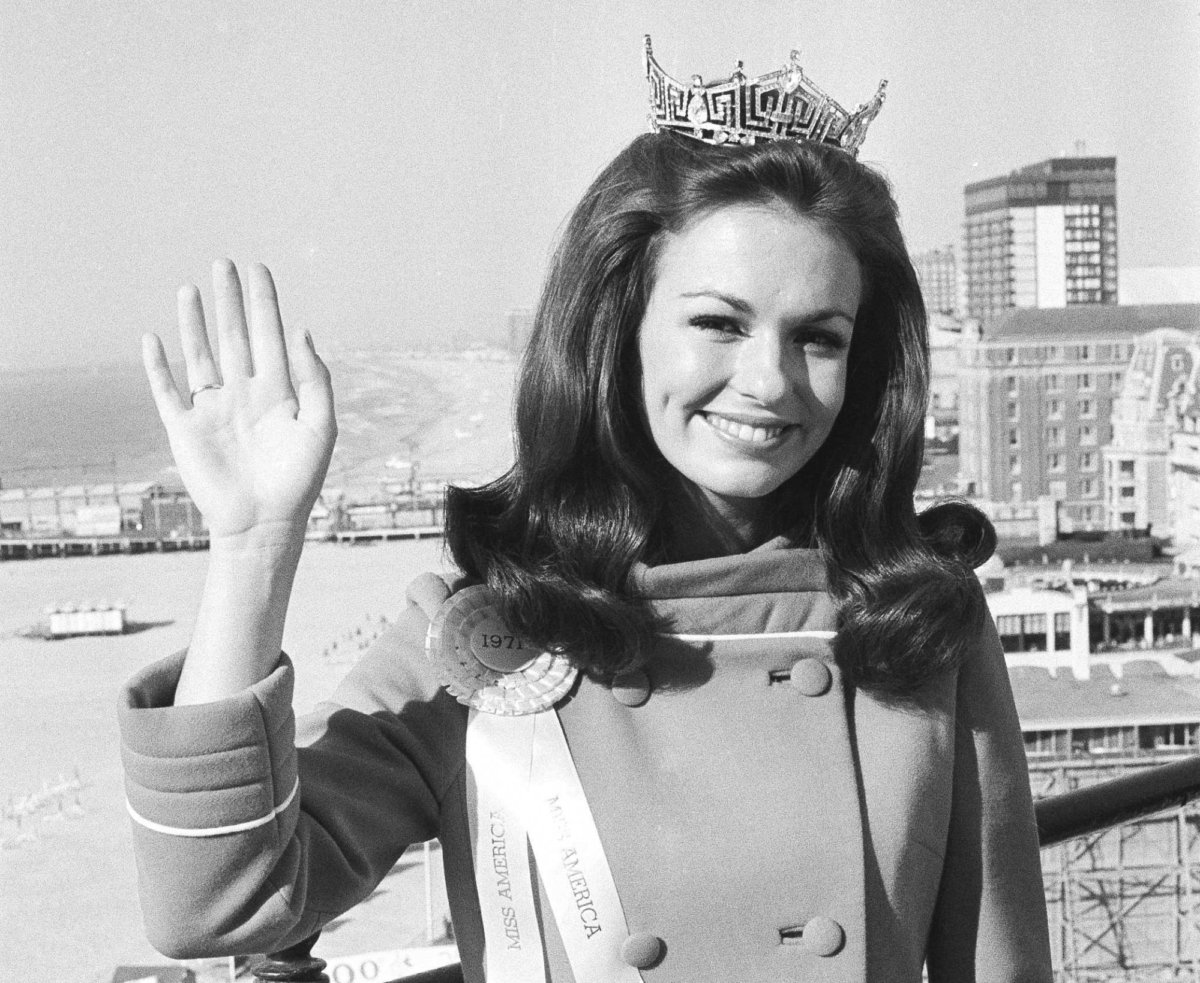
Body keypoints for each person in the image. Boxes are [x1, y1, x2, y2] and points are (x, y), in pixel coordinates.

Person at [119, 43, 1053, 983]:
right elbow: (216, 899)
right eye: (719, 323)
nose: (770, 382)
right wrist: (254, 542)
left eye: (819, 337)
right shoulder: (485, 636)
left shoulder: (920, 620)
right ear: (620, 330)